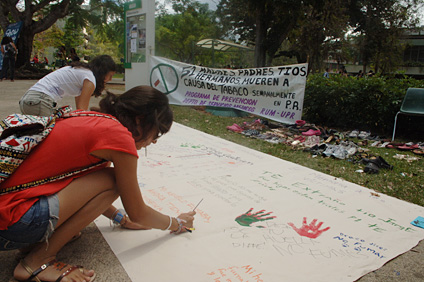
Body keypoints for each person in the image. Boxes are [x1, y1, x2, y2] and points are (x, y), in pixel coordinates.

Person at [0, 86, 196, 282]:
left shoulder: (92, 117)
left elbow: (88, 189)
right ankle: (36, 261)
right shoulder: (119, 138)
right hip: (12, 223)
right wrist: (176, 224)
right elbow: (138, 212)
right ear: (140, 120)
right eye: (157, 132)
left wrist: (120, 218)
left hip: (8, 215)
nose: (153, 142)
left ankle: (32, 244)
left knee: (106, 181)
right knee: (113, 179)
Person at [19, 54, 116, 116]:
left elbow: (79, 109)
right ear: (103, 72)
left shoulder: (82, 72)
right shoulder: (89, 80)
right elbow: (82, 110)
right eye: (110, 75)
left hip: (28, 100)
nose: (110, 79)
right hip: (40, 102)